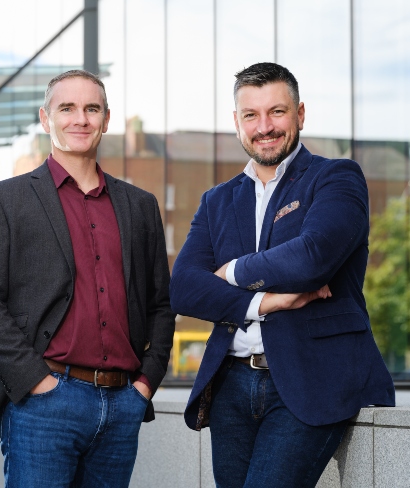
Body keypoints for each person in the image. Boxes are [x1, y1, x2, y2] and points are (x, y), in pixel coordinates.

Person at [170, 62, 395, 487]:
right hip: (231, 384)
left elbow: (312, 257)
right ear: (236, 123)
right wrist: (266, 301)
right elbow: (182, 288)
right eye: (251, 115)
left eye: (277, 112)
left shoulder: (336, 178)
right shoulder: (217, 200)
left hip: (311, 379)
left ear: (300, 114)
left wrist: (232, 271)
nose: (264, 127)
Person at [0, 69, 175, 488]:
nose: (81, 119)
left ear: (106, 119)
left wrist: (145, 385)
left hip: (122, 403)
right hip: (44, 403)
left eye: (91, 108)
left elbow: (161, 305)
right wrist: (37, 382)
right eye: (68, 108)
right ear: (46, 118)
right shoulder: (6, 200)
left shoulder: (140, 206)